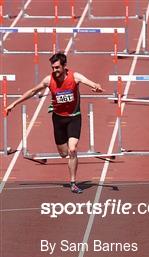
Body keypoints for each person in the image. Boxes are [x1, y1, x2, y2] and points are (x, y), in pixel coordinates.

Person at [4, 52, 103, 194]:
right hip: (58, 119)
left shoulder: (75, 77)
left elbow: (93, 83)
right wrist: (13, 104)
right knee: (63, 153)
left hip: (74, 117)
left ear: (64, 66)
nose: (55, 70)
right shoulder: (48, 80)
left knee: (72, 149)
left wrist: (97, 87)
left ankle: (73, 183)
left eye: (57, 67)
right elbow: (32, 91)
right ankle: (55, 108)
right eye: (53, 68)